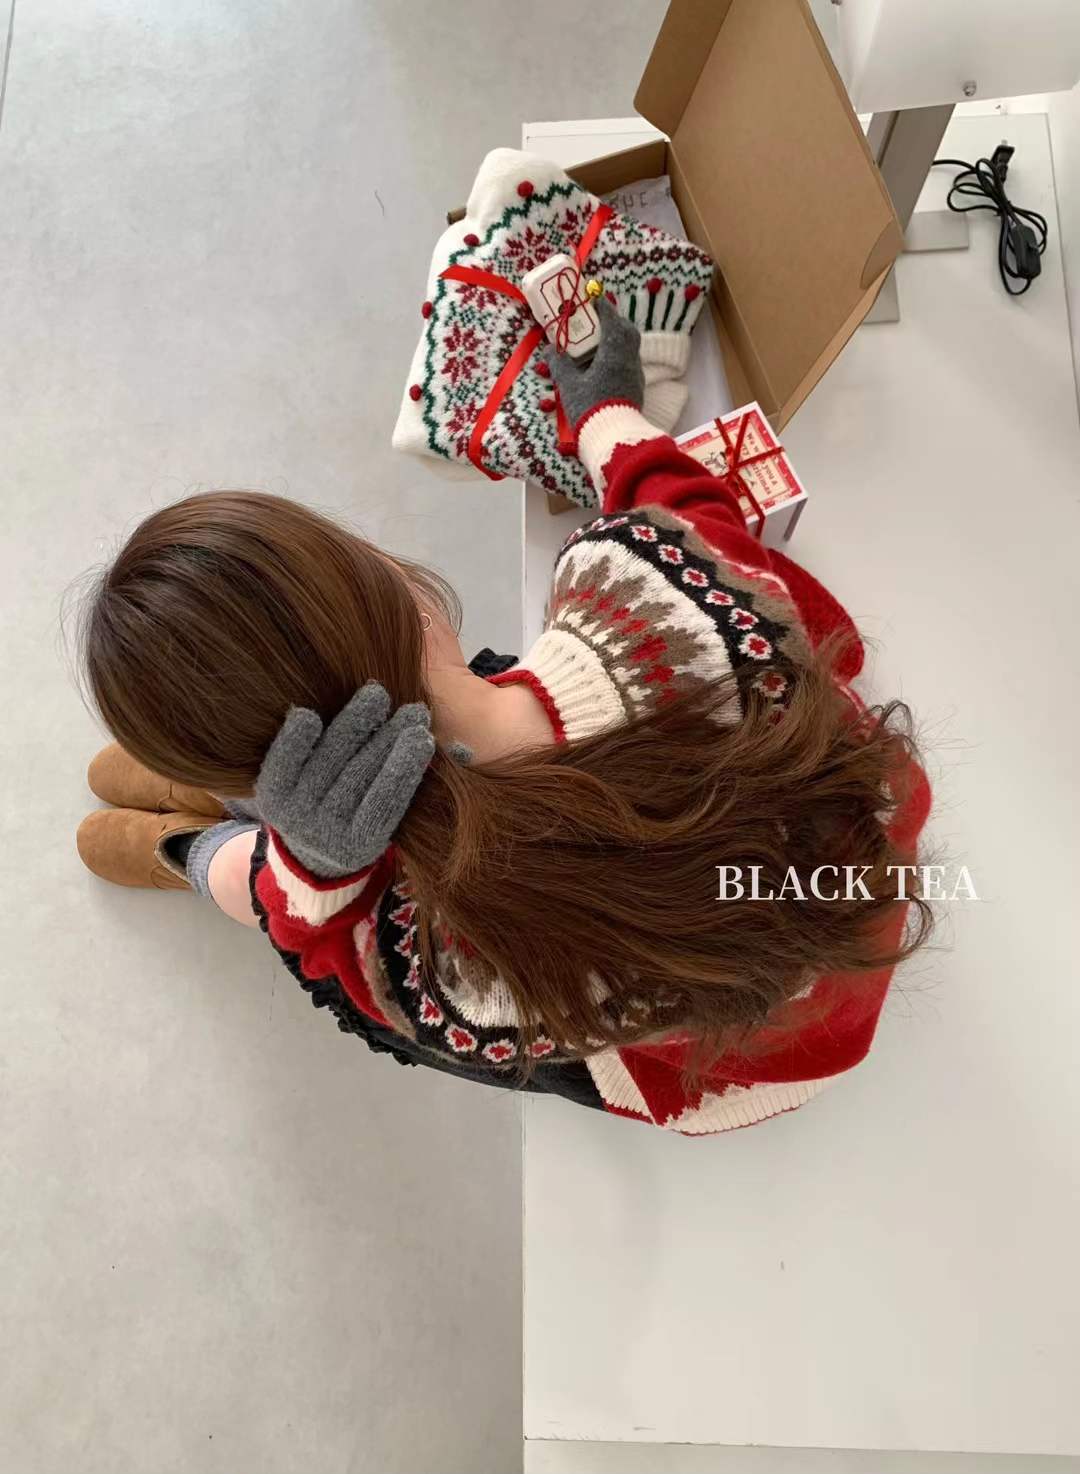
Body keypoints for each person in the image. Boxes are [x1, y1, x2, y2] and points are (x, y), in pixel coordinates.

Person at [77, 301, 931, 1134]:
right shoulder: (639, 576)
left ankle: (207, 842)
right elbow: (695, 519)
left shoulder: (438, 965)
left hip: (689, 1048)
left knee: (288, 909)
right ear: (395, 584)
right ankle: (206, 853)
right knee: (307, 906)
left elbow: (329, 948)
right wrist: (606, 415)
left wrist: (315, 865)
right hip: (791, 1020)